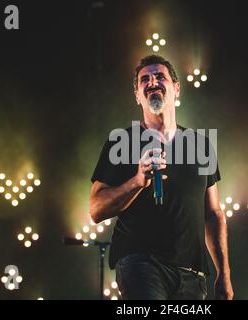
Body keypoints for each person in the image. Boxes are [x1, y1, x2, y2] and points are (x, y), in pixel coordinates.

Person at [89, 55, 233, 300]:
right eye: (144, 79)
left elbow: (213, 214)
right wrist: (137, 181)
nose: (152, 82)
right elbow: (95, 209)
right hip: (141, 265)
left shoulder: (201, 145)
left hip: (192, 275)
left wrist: (224, 275)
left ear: (176, 89)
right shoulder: (120, 142)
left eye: (160, 76)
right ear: (137, 95)